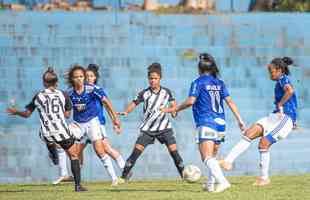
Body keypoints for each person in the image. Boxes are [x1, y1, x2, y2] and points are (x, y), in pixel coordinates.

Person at [219, 57, 297, 186]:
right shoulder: (279, 82)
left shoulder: (283, 79)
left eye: (271, 71)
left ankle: (264, 178)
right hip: (275, 117)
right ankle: (228, 161)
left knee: (263, 143)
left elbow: (290, 91)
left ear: (279, 70)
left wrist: (281, 104)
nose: (269, 74)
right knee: (249, 133)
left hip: (284, 118)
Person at [6, 67, 86, 192]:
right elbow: (67, 115)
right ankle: (78, 186)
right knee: (74, 155)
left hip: (46, 133)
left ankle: (53, 153)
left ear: (44, 83)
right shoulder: (63, 94)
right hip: (61, 131)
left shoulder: (38, 96)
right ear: (57, 83)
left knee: (46, 136)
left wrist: (16, 112)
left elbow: (27, 114)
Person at [175, 53, 245, 193]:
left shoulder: (198, 82)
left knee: (206, 157)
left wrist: (175, 108)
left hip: (206, 121)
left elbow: (190, 101)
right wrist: (239, 120)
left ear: (199, 69)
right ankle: (210, 184)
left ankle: (223, 182)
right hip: (221, 123)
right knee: (212, 156)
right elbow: (230, 101)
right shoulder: (219, 82)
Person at [118, 62, 184, 182]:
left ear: (160, 79)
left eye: (155, 78)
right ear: (148, 79)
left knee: (175, 154)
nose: (153, 81)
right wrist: (126, 112)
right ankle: (123, 177)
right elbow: (134, 103)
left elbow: (173, 105)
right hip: (148, 129)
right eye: (151, 78)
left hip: (165, 128)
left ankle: (185, 176)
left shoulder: (167, 92)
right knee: (135, 154)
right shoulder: (144, 93)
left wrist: (173, 112)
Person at [66, 65, 121, 186]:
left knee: (100, 150)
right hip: (78, 125)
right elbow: (66, 112)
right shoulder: (69, 93)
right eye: (76, 77)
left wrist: (115, 118)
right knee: (71, 149)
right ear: (72, 79)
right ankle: (76, 182)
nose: (79, 79)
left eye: (81, 76)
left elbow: (106, 102)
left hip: (92, 122)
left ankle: (114, 178)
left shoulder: (92, 89)